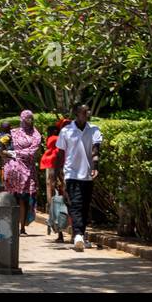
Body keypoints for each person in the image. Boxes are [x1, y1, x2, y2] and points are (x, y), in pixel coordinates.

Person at [56, 104, 102, 252]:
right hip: (71, 173)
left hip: (87, 174)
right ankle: (78, 235)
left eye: (88, 110)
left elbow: (96, 150)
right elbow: (61, 154)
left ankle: (80, 235)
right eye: (84, 111)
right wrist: (59, 174)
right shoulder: (66, 131)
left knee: (84, 206)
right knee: (75, 204)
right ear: (76, 113)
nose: (87, 112)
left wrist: (95, 167)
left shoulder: (94, 129)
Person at [2, 110, 43, 234]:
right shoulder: (13, 133)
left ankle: (22, 227)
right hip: (13, 171)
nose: (29, 121)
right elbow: (2, 147)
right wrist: (5, 153)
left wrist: (15, 154)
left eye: (31, 118)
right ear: (22, 119)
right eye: (26, 119)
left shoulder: (36, 135)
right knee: (13, 197)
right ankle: (12, 225)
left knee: (24, 198)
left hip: (28, 171)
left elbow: (32, 152)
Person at [40, 121, 68, 242]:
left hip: (58, 174)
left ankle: (60, 233)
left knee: (57, 202)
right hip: (66, 174)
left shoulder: (54, 140)